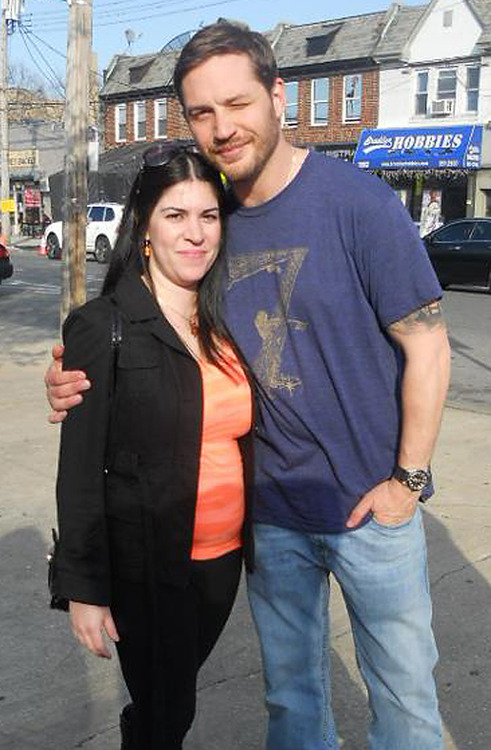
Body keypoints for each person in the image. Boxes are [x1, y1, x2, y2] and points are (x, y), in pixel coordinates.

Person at [46, 21, 451, 750]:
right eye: (202, 112)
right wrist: (76, 375)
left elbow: (427, 345)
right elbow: (157, 331)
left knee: (405, 705)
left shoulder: (359, 202)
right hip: (270, 519)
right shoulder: (214, 216)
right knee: (292, 702)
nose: (222, 127)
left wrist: (407, 481)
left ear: (277, 96)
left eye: (237, 103)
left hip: (371, 507)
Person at [52, 142, 254, 750]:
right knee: (171, 711)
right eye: (175, 215)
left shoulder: (226, 321)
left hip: (222, 560)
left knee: (168, 700)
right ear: (144, 227)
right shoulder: (103, 326)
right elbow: (79, 469)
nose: (195, 233)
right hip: (148, 563)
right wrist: (83, 589)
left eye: (208, 216)